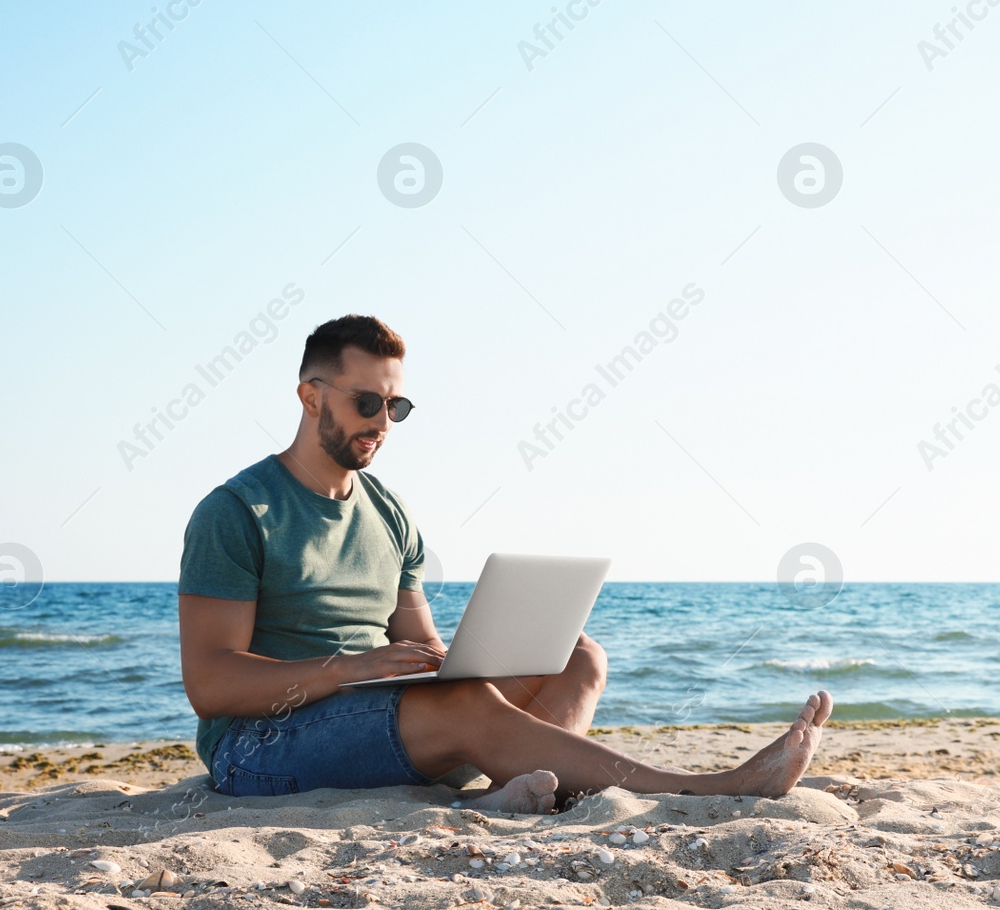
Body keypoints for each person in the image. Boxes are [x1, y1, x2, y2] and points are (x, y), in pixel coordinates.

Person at [177, 314, 833, 810]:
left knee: (578, 655)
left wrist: (461, 662)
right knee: (464, 704)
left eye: (396, 406)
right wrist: (351, 668)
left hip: (378, 717)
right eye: (367, 402)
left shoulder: (388, 511)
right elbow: (211, 683)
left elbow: (418, 642)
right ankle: (709, 787)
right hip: (260, 748)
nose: (383, 421)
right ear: (311, 395)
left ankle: (511, 791)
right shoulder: (239, 511)